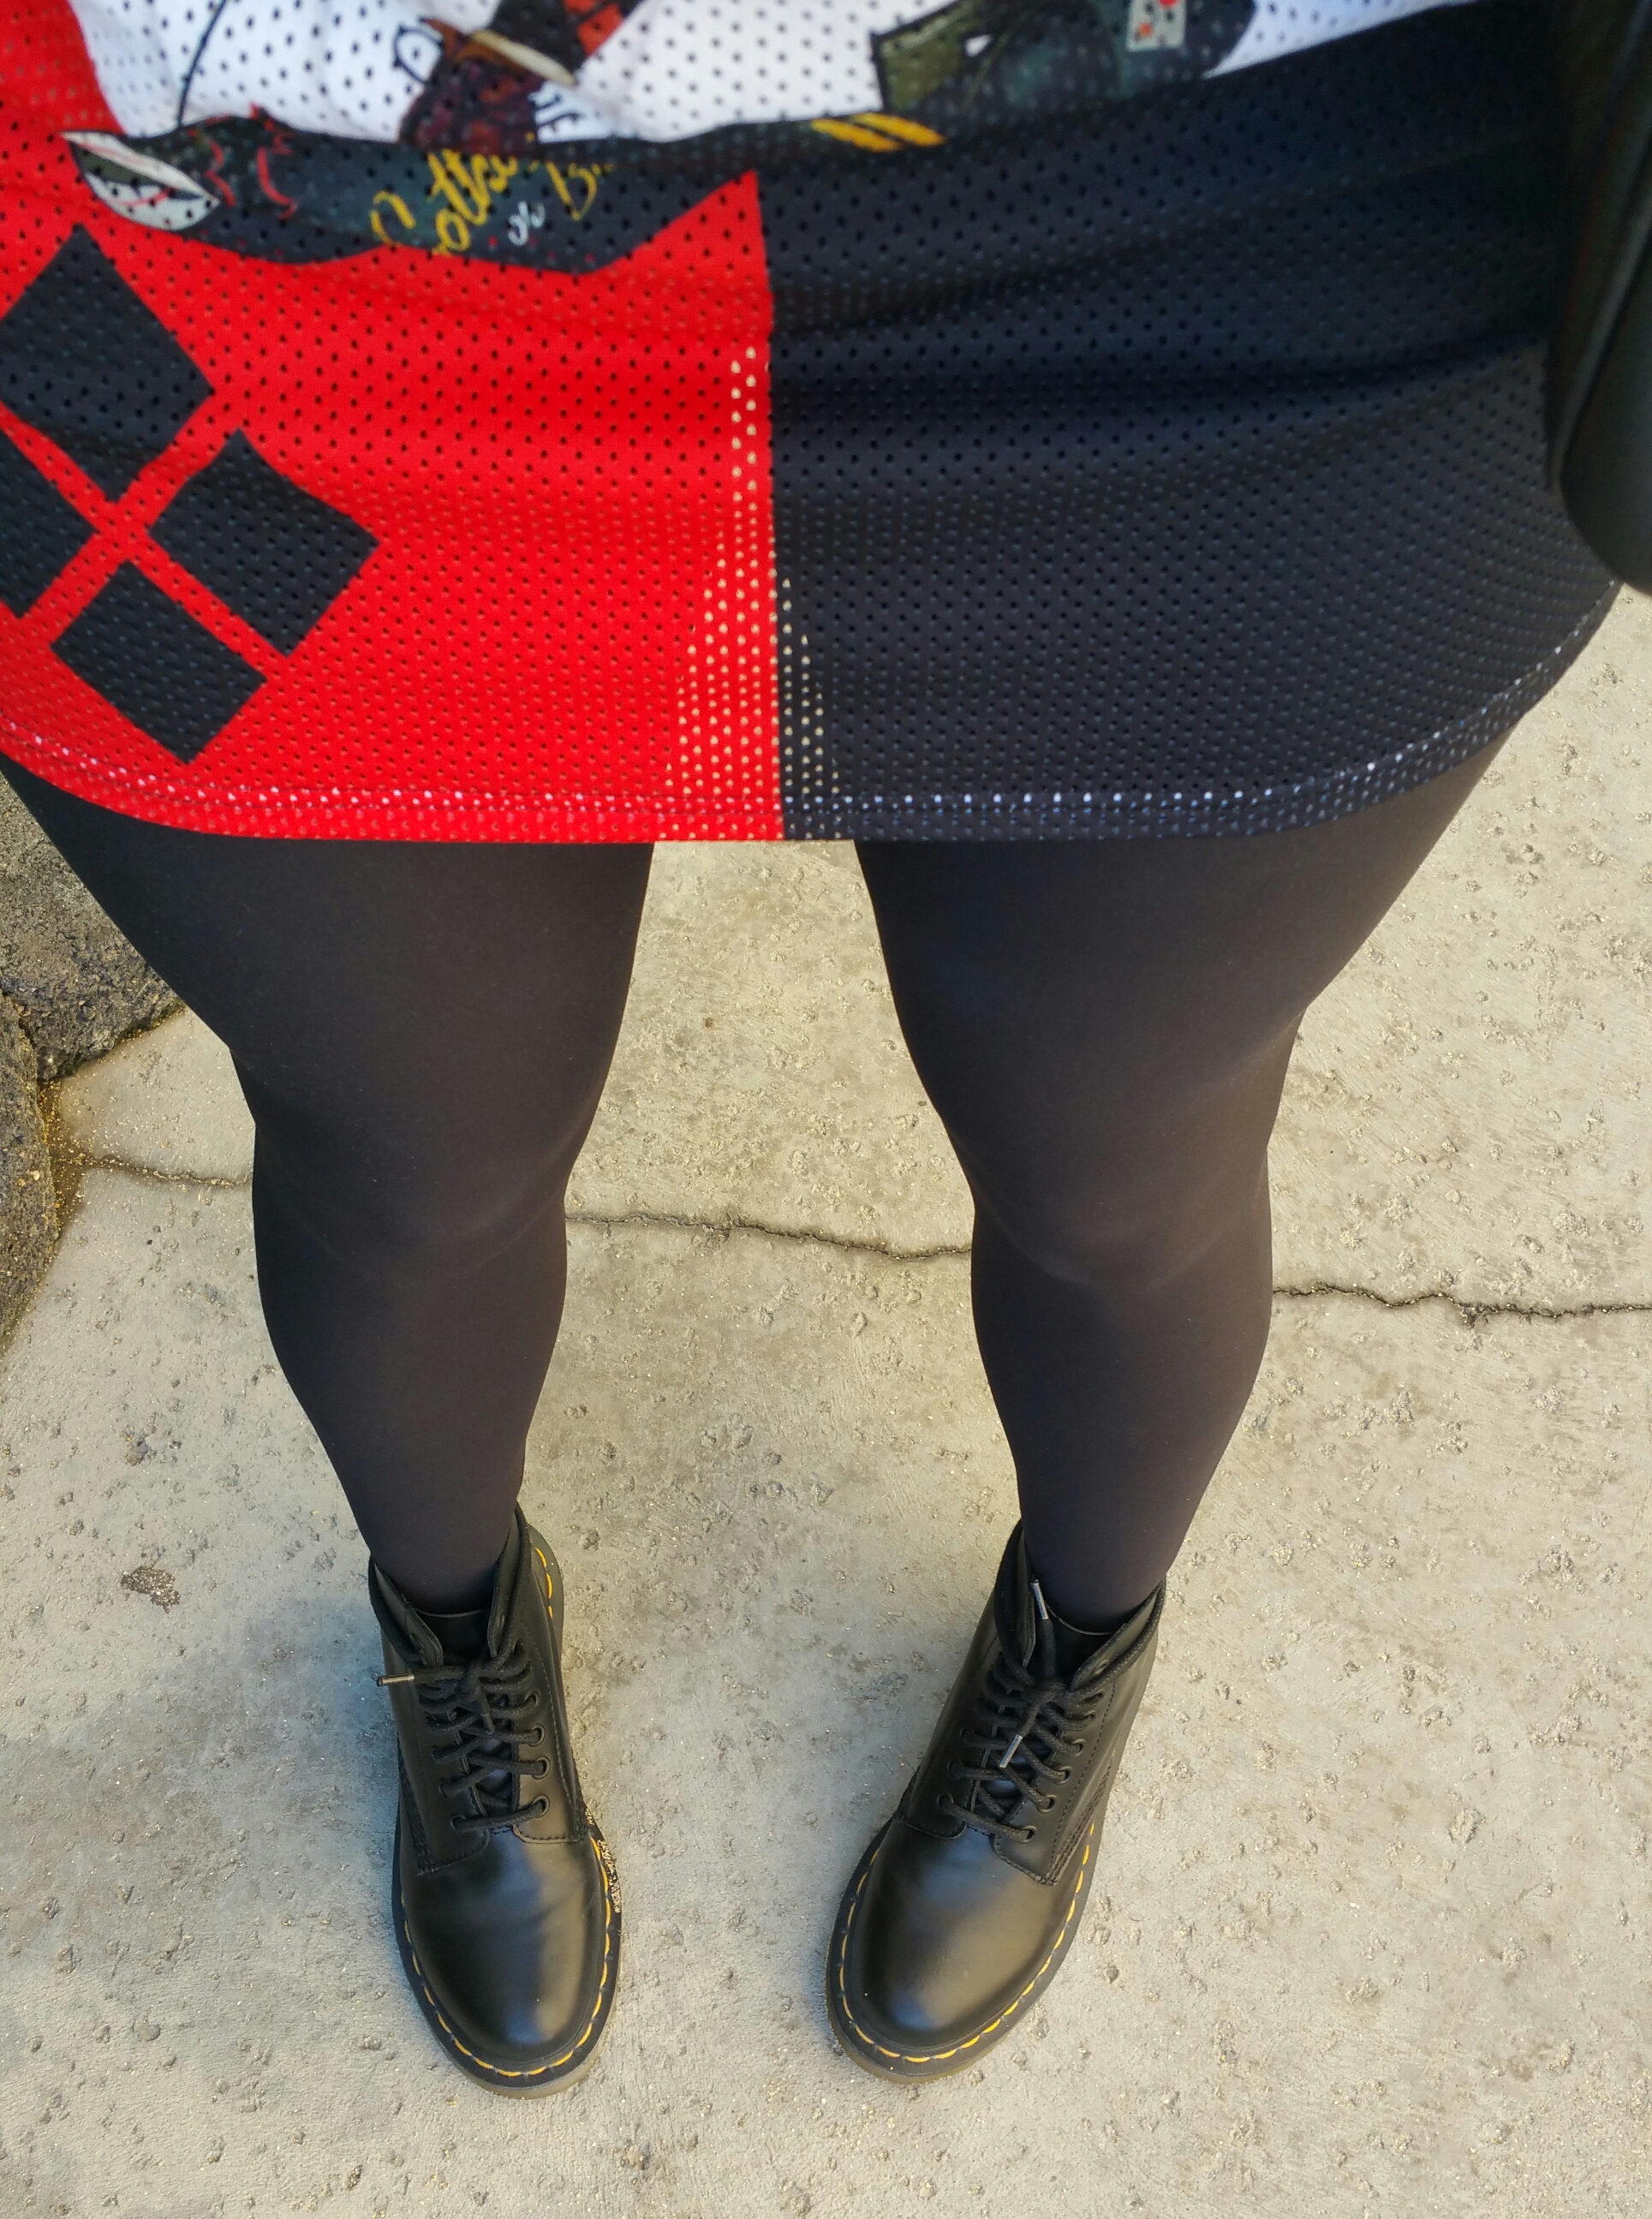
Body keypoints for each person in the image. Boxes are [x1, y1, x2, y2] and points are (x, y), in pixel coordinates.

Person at [0, 0, 1613, 2095]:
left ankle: (1078, 1643)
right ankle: (455, 1631)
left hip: (1251, 222)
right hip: (226, 238)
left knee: (1115, 1152)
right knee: (408, 1151)